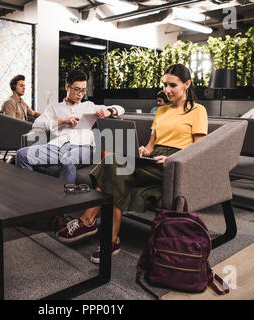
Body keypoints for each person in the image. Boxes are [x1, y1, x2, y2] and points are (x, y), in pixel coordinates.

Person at [55, 64, 208, 264]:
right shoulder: (161, 111)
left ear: (187, 84)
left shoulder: (198, 111)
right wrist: (144, 150)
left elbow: (199, 150)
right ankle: (110, 238)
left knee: (114, 169)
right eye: (165, 85)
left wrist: (172, 160)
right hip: (153, 160)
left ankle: (89, 222)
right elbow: (151, 145)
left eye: (173, 85)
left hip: (175, 164)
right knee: (113, 165)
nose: (167, 90)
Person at [16, 69, 125, 184]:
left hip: (84, 147)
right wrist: (63, 121)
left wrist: (109, 111)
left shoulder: (89, 106)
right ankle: (30, 192)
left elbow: (120, 108)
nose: (80, 94)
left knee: (68, 160)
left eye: (83, 90)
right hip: (57, 147)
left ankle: (62, 199)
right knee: (21, 154)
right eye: (77, 90)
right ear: (67, 87)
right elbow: (37, 126)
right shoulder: (54, 108)